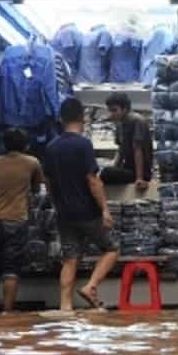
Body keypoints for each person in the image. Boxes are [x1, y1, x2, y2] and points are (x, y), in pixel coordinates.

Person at [43, 98, 118, 312]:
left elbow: (48, 183)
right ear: (81, 117)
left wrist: (58, 202)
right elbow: (93, 180)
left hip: (64, 213)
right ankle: (91, 287)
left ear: (61, 119)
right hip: (87, 212)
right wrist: (104, 209)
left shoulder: (51, 147)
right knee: (111, 249)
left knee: (70, 258)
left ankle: (65, 306)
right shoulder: (83, 144)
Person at [0, 128, 44, 314]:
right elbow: (36, 189)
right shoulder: (32, 162)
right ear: (26, 145)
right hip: (16, 219)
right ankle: (7, 311)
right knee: (11, 268)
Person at [101, 92, 153, 190]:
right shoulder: (120, 124)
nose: (111, 114)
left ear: (125, 109)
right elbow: (121, 150)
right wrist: (114, 169)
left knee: (105, 173)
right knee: (103, 174)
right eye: (110, 111)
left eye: (114, 110)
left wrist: (139, 178)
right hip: (127, 169)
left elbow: (138, 150)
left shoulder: (137, 121)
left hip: (140, 172)